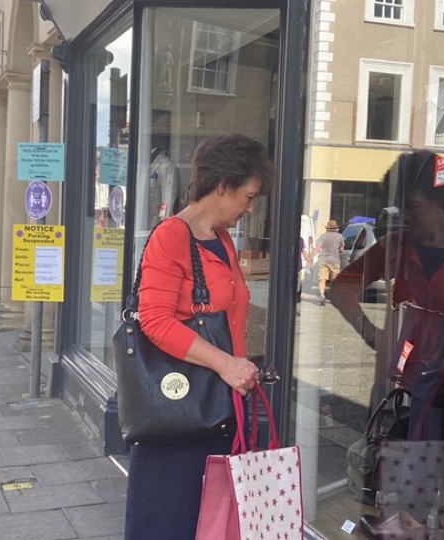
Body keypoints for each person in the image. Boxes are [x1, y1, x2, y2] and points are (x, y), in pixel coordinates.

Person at [329, 150, 444, 531]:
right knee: (400, 476)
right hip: (405, 384)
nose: (406, 216)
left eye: (412, 206)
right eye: (401, 208)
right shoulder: (396, 245)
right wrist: (374, 336)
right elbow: (340, 288)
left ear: (441, 202)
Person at [124, 133, 271, 540]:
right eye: (249, 195)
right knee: (171, 520)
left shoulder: (221, 239)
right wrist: (226, 364)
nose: (250, 207)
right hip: (179, 410)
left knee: (209, 521)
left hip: (217, 407)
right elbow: (154, 320)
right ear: (222, 185)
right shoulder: (172, 235)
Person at [310, 219, 344, 305]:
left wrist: (310, 257)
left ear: (327, 228)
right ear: (336, 228)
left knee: (322, 279)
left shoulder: (323, 236)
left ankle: (322, 295)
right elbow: (342, 249)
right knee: (334, 279)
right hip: (335, 261)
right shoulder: (340, 237)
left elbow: (317, 248)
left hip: (323, 260)